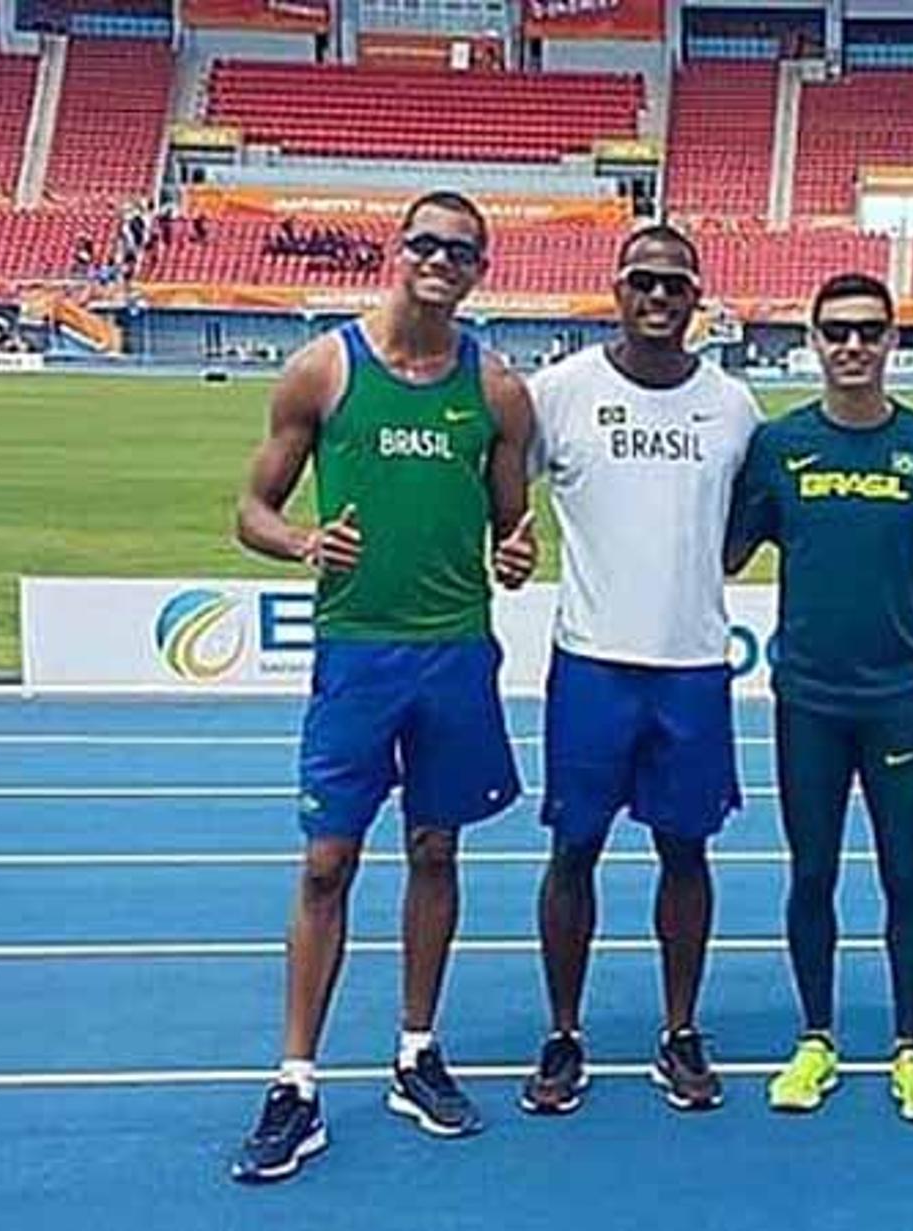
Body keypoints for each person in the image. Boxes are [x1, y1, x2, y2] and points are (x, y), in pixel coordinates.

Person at [227, 191, 536, 1183]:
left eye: (462, 250)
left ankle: (416, 1050)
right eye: (427, 243)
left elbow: (509, 529)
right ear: (398, 252)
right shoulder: (324, 367)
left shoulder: (494, 388)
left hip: (454, 651)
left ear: (479, 271)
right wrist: (302, 541)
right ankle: (296, 1078)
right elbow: (251, 507)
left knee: (436, 850)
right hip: (357, 651)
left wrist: (520, 552)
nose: (442, 260)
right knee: (327, 862)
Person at [725, 273, 913, 1122]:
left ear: (891, 341)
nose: (852, 347)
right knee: (812, 872)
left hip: (899, 695)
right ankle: (816, 1039)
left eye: (869, 332)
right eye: (836, 331)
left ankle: (911, 1048)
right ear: (814, 338)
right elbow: (720, 550)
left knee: (907, 872)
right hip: (807, 697)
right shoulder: (776, 445)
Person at [519, 224, 761, 1115]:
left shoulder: (735, 406)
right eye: (642, 282)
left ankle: (679, 1028)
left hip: (693, 666)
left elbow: (745, 522)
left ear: (698, 297)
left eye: (674, 285)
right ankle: (563, 1032)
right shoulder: (561, 392)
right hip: (591, 665)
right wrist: (510, 534)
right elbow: (504, 484)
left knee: (685, 850)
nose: (658, 298)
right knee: (572, 848)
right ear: (615, 290)